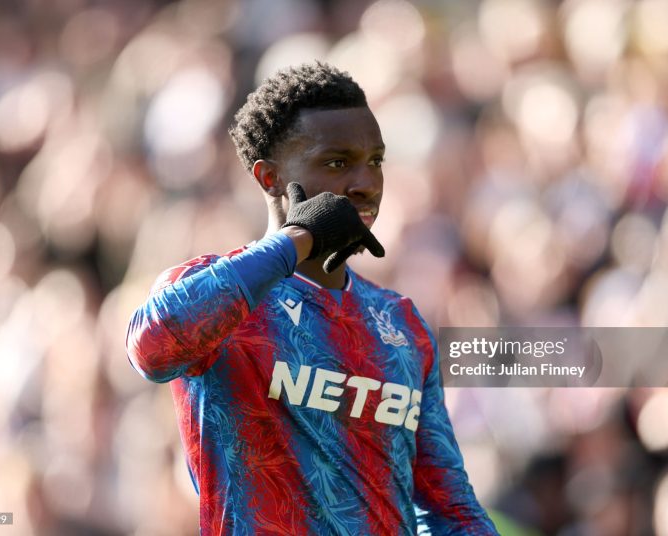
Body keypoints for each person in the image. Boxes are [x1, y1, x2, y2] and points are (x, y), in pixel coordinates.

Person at [126, 62, 499, 535]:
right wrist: (297, 239)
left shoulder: (400, 322)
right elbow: (152, 348)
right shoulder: (215, 293)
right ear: (269, 178)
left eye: (376, 160)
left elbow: (451, 511)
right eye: (338, 162)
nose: (366, 181)